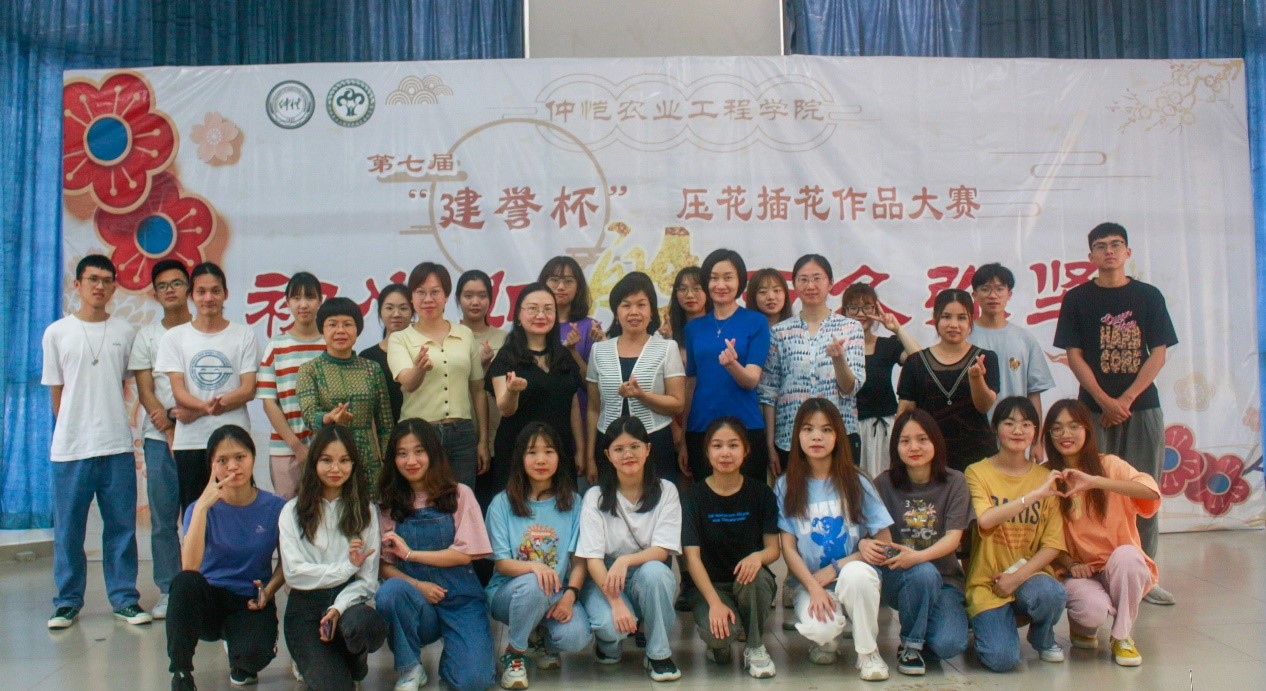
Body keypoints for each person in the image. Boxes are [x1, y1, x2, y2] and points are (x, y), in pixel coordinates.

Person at [1053, 222, 1179, 606]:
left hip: (1142, 408)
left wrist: (1124, 399)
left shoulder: (1148, 296)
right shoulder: (1077, 298)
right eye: (1101, 246)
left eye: (1116, 244)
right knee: (1091, 489)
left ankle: (1146, 575)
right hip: (1091, 411)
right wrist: (1104, 401)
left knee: (1144, 490)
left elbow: (1158, 353)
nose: (1109, 251)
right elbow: (1074, 355)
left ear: (1128, 252)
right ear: (1090, 255)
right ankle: (1093, 568)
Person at [42, 254, 150, 629]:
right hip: (70, 449)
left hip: (116, 445)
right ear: (78, 284)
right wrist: (73, 428)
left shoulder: (124, 331)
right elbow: (57, 392)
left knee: (121, 528)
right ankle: (67, 602)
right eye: (92, 279)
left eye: (106, 280)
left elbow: (126, 384)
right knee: (68, 530)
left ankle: (124, 599)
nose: (99, 286)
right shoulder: (57, 333)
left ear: (114, 286)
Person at [775, 398, 892, 681]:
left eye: (826, 430)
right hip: (811, 581)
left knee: (856, 576)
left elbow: (885, 543)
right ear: (797, 436)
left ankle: (868, 653)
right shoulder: (786, 485)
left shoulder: (857, 481)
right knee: (821, 630)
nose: (817, 437)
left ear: (838, 435)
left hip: (853, 575)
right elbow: (788, 549)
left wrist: (840, 565)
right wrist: (813, 587)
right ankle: (829, 638)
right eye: (808, 429)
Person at [375, 419, 495, 691]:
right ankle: (410, 667)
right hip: (418, 603)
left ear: (433, 453)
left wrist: (411, 554)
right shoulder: (388, 504)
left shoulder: (459, 494)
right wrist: (419, 586)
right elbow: (384, 565)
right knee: (390, 593)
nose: (411, 461)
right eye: (402, 453)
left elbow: (464, 554)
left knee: (474, 681)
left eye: (419, 451)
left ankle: (457, 654)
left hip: (461, 599)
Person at [167, 425, 286, 690]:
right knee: (183, 584)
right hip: (210, 599)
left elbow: (287, 563)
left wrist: (269, 590)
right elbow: (190, 568)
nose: (233, 466)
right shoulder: (199, 508)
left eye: (240, 457)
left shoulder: (276, 507)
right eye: (222, 460)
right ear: (212, 465)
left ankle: (239, 654)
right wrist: (202, 507)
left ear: (253, 458)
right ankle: (181, 673)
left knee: (252, 661)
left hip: (250, 600)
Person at [1044, 399, 1160, 667]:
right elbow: (1039, 538)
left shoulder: (1110, 465)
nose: (1065, 434)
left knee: (1129, 558)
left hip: (1116, 566)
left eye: (1074, 426)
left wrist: (1096, 481)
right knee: (1091, 612)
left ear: (1088, 429)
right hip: (1076, 571)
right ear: (1048, 435)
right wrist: (1070, 564)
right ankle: (1082, 626)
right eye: (1057, 428)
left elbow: (1151, 492)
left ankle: (1122, 636)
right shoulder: (1045, 475)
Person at [485, 423, 593, 689]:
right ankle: (515, 652)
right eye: (532, 452)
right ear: (520, 458)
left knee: (576, 636)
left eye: (549, 451)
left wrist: (570, 596)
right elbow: (502, 563)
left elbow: (579, 561)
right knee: (535, 584)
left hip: (555, 593)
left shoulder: (574, 503)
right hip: (508, 593)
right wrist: (535, 567)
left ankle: (539, 637)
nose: (541, 460)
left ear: (559, 457)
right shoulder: (502, 503)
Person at [280, 425, 388, 690]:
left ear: (353, 464)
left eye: (344, 460)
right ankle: (316, 661)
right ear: (314, 463)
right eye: (326, 460)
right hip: (305, 607)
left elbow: (367, 580)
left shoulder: (366, 511)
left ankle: (354, 662)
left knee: (366, 626)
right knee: (334, 686)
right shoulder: (292, 511)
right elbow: (294, 573)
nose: (335, 469)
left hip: (348, 602)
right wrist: (347, 567)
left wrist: (338, 607)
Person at [576, 417, 683, 682]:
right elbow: (593, 560)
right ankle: (609, 645)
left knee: (656, 573)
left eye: (635, 446)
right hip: (605, 575)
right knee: (611, 625)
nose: (628, 455)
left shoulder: (667, 491)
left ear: (648, 449)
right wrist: (615, 602)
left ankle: (659, 654)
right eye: (619, 449)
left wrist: (625, 562)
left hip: (645, 571)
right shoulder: (594, 496)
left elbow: (662, 550)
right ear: (607, 455)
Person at [964, 396, 1067, 672]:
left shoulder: (1045, 477)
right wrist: (1032, 497)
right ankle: (988, 624)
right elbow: (986, 520)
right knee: (1002, 660)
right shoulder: (977, 472)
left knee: (1053, 594)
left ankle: (1043, 638)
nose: (1018, 431)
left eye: (1026, 424)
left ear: (1036, 432)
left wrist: (1016, 578)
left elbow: (1053, 545)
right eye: (1009, 423)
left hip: (1029, 576)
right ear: (995, 428)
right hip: (987, 582)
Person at [872, 410, 972, 675]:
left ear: (935, 442)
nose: (914, 447)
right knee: (923, 574)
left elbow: (953, 538)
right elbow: (880, 537)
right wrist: (910, 563)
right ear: (896, 447)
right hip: (899, 577)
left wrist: (916, 557)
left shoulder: (955, 482)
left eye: (922, 439)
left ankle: (931, 623)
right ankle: (911, 646)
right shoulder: (883, 483)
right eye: (905, 441)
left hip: (946, 581)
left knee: (950, 644)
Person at [155, 261, 259, 513]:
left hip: (234, 442)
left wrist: (200, 410)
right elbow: (178, 391)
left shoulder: (244, 335)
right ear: (192, 295)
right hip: (191, 442)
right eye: (201, 292)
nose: (208, 298)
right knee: (195, 515)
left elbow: (248, 389)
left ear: (226, 294)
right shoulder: (174, 337)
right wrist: (205, 407)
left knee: (236, 513)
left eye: (215, 291)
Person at [682, 418, 780, 678]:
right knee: (720, 639)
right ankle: (720, 643)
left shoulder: (761, 494)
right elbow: (692, 558)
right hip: (710, 587)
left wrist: (758, 557)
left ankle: (755, 647)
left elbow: (774, 549)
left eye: (733, 445)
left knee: (755, 576)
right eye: (717, 446)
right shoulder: (693, 497)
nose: (725, 453)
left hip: (749, 582)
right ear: (707, 451)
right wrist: (714, 603)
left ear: (746, 450)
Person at [127, 258, 192, 620]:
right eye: (163, 285)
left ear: (188, 288)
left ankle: (205, 585)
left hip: (199, 436)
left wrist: (186, 419)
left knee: (202, 516)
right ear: (155, 293)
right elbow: (145, 389)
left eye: (177, 283)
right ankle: (169, 589)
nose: (170, 290)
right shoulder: (147, 337)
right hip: (158, 438)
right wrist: (167, 426)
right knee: (164, 519)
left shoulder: (201, 331)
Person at [387, 262, 489, 489]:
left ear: (446, 296)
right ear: (412, 297)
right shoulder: (400, 338)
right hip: (419, 435)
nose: (428, 299)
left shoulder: (465, 334)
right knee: (421, 499)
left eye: (435, 292)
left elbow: (477, 390)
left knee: (462, 499)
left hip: (461, 433)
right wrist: (419, 369)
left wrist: (482, 440)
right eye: (420, 292)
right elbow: (408, 383)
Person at [760, 254, 865, 474]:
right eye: (804, 279)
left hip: (839, 434)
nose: (811, 286)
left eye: (817, 278)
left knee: (842, 494)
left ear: (831, 283)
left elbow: (850, 388)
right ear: (794, 285)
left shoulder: (851, 328)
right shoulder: (779, 332)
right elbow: (769, 392)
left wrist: (839, 360)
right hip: (790, 437)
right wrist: (768, 445)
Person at [585, 272, 686, 483]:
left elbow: (677, 404)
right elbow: (594, 408)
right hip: (609, 444)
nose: (634, 312)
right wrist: (590, 456)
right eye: (626, 305)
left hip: (655, 441)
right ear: (616, 311)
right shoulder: (598, 351)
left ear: (651, 311)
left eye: (641, 305)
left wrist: (642, 395)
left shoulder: (667, 348)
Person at [683, 249, 771, 482]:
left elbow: (751, 380)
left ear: (740, 281)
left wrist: (732, 365)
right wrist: (682, 438)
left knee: (749, 497)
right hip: (701, 428)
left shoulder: (756, 322)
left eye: (728, 277)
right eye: (714, 278)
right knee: (705, 498)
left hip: (745, 427)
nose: (720, 285)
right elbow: (690, 384)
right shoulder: (693, 328)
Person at [486, 283, 584, 490]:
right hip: (517, 452)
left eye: (548, 309)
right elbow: (505, 409)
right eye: (532, 309)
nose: (541, 315)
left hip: (559, 450)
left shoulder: (564, 355)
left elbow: (573, 404)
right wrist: (512, 392)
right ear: (518, 315)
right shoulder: (507, 357)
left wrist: (581, 450)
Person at [297, 297, 395, 496]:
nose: (340, 331)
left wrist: (389, 464)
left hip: (367, 460)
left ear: (357, 329)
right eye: (332, 325)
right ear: (322, 329)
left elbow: (385, 425)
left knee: (368, 511)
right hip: (328, 457)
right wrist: (329, 418)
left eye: (347, 324)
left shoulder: (372, 369)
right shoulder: (309, 370)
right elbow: (309, 414)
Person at [897, 289, 999, 472]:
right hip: (929, 457)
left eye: (961, 318)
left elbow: (984, 406)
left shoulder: (985, 358)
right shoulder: (915, 363)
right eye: (946, 317)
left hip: (978, 458)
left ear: (971, 320)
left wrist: (976, 378)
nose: (954, 324)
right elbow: (905, 413)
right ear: (935, 318)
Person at [970, 263, 1056, 455]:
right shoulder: (965, 337)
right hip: (973, 434)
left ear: (1009, 294)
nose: (993, 295)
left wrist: (1036, 442)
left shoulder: (1024, 339)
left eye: (999, 289)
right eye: (985, 289)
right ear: (974, 295)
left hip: (1016, 436)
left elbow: (1033, 393)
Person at [256, 271, 326, 499]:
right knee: (287, 512)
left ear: (320, 300)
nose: (303, 304)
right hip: (285, 448)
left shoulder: (330, 344)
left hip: (327, 449)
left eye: (310, 297)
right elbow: (269, 403)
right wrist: (296, 446)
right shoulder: (276, 346)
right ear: (287, 302)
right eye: (296, 298)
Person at [842, 283, 920, 479]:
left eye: (867, 307)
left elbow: (920, 360)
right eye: (854, 308)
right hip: (850, 428)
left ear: (876, 311)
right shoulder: (837, 348)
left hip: (884, 429)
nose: (861, 314)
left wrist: (897, 329)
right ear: (844, 312)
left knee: (888, 483)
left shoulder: (886, 345)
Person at [456, 270, 509, 454]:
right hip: (459, 431)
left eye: (482, 295)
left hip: (497, 428)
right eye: (468, 296)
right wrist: (479, 366)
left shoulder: (505, 339)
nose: (475, 302)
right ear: (458, 299)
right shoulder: (449, 337)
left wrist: (489, 368)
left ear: (490, 300)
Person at [360, 283, 412, 422]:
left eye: (403, 308)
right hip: (382, 429)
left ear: (413, 312)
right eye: (389, 308)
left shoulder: (422, 352)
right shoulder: (367, 357)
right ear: (380, 312)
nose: (396, 314)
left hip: (418, 429)